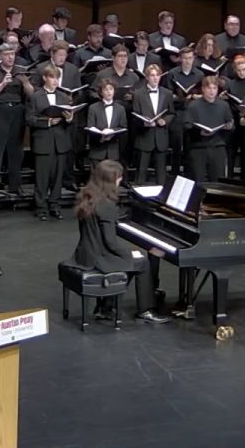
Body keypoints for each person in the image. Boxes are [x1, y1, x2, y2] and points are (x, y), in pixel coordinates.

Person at [70, 160, 170, 324]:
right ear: (110, 180)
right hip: (99, 257)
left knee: (129, 261)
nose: (120, 181)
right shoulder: (106, 205)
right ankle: (145, 310)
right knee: (142, 262)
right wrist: (129, 253)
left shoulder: (87, 195)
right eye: (118, 178)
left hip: (85, 253)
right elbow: (110, 242)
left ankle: (106, 307)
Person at [0, 43, 34, 197]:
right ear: (0, 56)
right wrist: (3, 84)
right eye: (7, 54)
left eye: (13, 54)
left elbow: (32, 95)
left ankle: (15, 185)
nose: (11, 57)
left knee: (16, 150)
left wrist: (25, 83)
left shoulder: (21, 71)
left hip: (17, 111)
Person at [26, 65, 74, 219]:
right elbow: (29, 119)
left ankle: (54, 204)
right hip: (43, 142)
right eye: (52, 77)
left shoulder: (64, 97)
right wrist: (48, 122)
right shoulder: (35, 97)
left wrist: (69, 119)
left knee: (58, 177)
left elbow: (69, 120)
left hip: (60, 142)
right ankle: (41, 207)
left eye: (57, 78)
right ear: (45, 78)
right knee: (42, 177)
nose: (55, 81)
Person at [184, 75, 233, 182]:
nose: (212, 91)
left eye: (214, 88)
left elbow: (230, 123)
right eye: (209, 88)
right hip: (198, 148)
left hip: (217, 147)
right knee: (197, 182)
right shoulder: (193, 105)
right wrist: (199, 132)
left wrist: (229, 127)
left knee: (218, 183)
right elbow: (187, 126)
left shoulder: (224, 105)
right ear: (203, 89)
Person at [132, 64, 174, 185]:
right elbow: (135, 116)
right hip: (144, 137)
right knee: (141, 173)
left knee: (161, 175)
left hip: (161, 137)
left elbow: (172, 113)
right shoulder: (139, 94)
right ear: (147, 77)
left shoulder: (167, 93)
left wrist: (165, 121)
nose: (155, 78)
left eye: (158, 75)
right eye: (152, 75)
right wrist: (144, 123)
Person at [86, 78, 128, 167]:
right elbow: (90, 127)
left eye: (111, 89)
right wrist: (101, 136)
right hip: (97, 151)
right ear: (101, 92)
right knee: (97, 179)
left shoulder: (120, 108)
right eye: (106, 89)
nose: (109, 92)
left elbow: (123, 127)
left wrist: (112, 132)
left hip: (113, 151)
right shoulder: (93, 108)